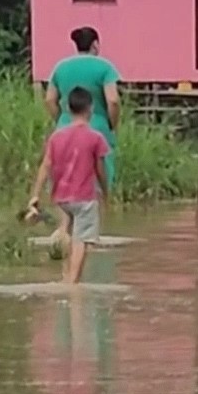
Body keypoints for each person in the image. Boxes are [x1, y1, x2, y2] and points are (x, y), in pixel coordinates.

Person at [28, 86, 112, 285]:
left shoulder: (57, 136)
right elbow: (100, 170)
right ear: (90, 109)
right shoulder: (95, 138)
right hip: (84, 197)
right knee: (81, 240)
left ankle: (65, 271)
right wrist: (106, 193)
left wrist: (36, 194)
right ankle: (72, 282)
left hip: (62, 197)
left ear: (67, 108)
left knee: (69, 232)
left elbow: (46, 165)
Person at [45, 26, 122, 192]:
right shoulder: (105, 67)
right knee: (97, 186)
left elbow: (50, 99)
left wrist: (61, 119)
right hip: (97, 126)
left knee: (64, 183)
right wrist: (112, 124)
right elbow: (113, 100)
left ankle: (65, 217)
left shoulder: (61, 67)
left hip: (64, 126)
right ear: (95, 44)